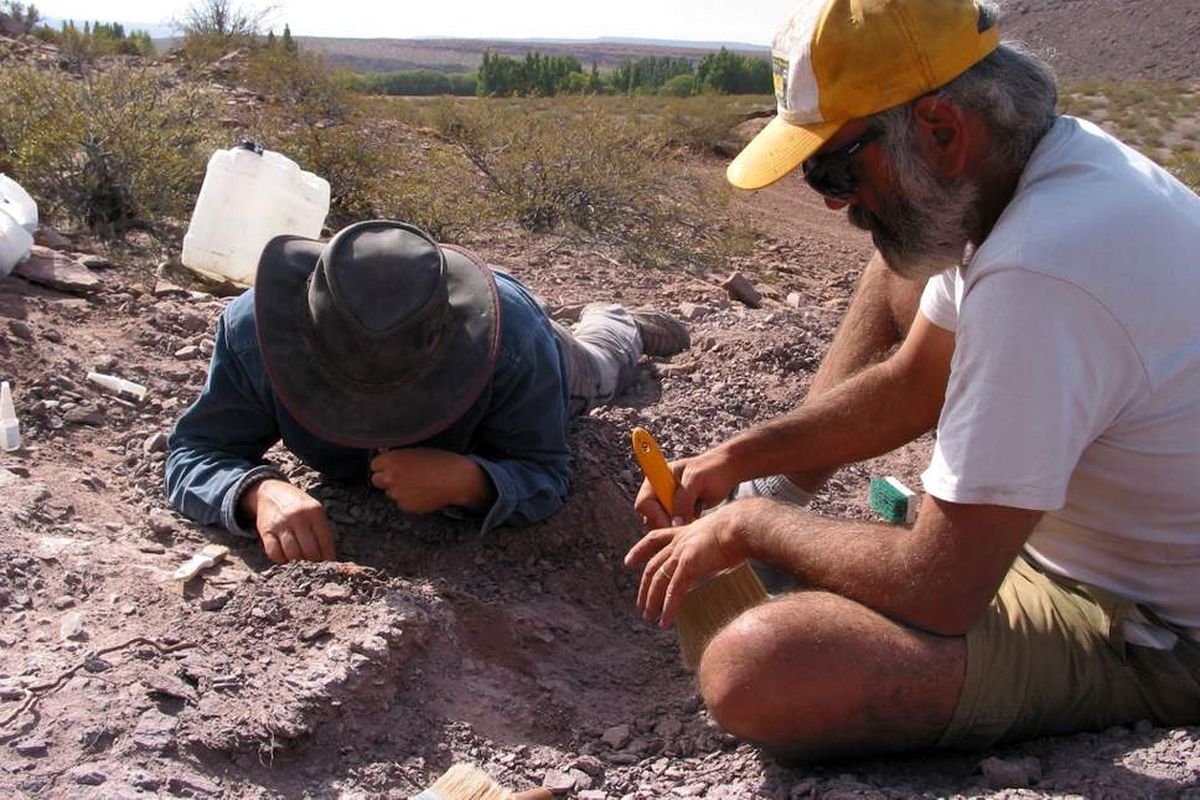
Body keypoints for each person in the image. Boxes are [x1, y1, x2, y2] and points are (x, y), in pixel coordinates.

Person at [626, 0, 1200, 760]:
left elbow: (940, 587)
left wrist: (747, 526)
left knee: (758, 667)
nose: (832, 199)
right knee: (892, 261)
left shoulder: (1041, 271)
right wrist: (743, 461)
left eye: (835, 167)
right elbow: (912, 384)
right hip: (1065, 546)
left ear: (941, 129)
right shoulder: (1045, 169)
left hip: (1149, 624)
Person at [166, 219, 688, 564]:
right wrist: (260, 492)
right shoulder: (255, 333)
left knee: (601, 367)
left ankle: (620, 321)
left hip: (513, 326)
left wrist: (472, 480)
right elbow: (194, 451)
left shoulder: (513, 343)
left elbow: (544, 471)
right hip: (460, 308)